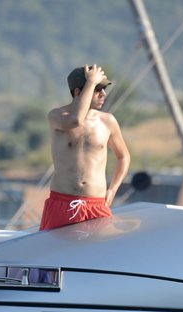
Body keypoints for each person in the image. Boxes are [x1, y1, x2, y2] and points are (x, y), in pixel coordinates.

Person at [40, 64, 130, 231]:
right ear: (77, 92)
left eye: (103, 89)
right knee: (55, 248)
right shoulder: (57, 116)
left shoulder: (108, 121)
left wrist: (112, 189)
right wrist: (90, 82)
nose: (103, 94)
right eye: (98, 89)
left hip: (96, 205)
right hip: (62, 203)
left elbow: (123, 157)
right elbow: (75, 121)